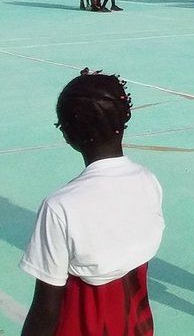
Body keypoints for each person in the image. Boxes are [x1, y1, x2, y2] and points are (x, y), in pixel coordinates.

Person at [19, 69, 164, 335]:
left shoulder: (60, 207)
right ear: (124, 119)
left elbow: (46, 310)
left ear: (67, 134)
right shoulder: (148, 181)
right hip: (136, 325)